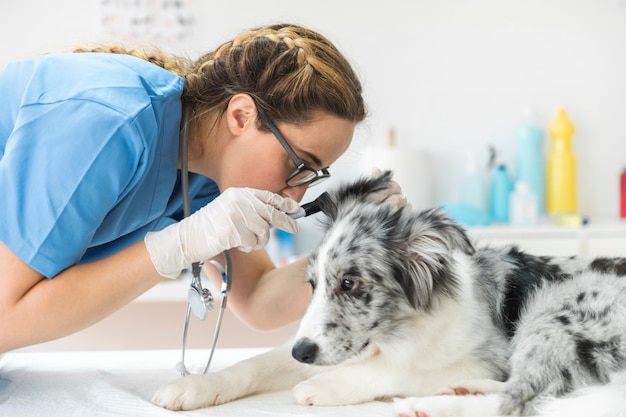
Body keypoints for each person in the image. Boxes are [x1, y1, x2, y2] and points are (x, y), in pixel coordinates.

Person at [0, 23, 403, 353]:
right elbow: (6, 318)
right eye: (298, 164)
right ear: (242, 116)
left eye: (314, 176)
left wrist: (363, 246)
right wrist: (174, 246)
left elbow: (260, 300)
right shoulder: (108, 120)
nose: (295, 195)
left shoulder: (209, 178)